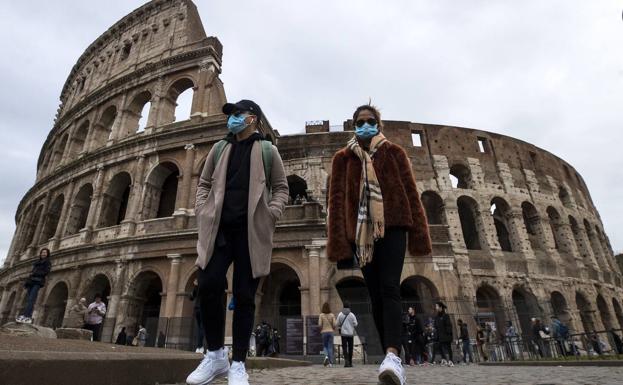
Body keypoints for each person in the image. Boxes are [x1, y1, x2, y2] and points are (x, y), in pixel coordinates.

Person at [185, 99, 288, 385]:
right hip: (218, 230)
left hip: (251, 231)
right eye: (230, 115)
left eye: (237, 114)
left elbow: (281, 187)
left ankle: (239, 363)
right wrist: (203, 211)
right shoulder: (220, 148)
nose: (231, 118)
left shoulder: (267, 150)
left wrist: (271, 214)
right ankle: (216, 354)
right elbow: (203, 184)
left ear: (252, 118)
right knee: (207, 285)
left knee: (244, 296)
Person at [327, 104, 432, 385]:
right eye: (360, 122)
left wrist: (420, 235)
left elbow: (412, 193)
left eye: (370, 121)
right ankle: (391, 357)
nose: (365, 125)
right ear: (353, 125)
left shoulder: (394, 152)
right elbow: (335, 203)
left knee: (389, 287)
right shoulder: (343, 159)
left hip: (394, 225)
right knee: (374, 293)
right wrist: (338, 244)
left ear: (378, 124)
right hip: (361, 235)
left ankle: (392, 354)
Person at [16, 248, 52, 324]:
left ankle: (28, 316)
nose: (43, 254)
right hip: (31, 282)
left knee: (31, 299)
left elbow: (46, 272)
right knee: (28, 299)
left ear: (47, 254)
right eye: (42, 252)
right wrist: (27, 282)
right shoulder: (37, 263)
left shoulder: (47, 262)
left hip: (37, 282)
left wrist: (35, 274)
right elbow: (31, 273)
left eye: (45, 252)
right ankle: (25, 315)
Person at [337, 302, 358, 367]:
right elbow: (356, 324)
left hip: (343, 334)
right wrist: (351, 325)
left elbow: (337, 323)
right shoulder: (352, 315)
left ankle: (346, 361)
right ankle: (350, 362)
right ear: (349, 307)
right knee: (350, 348)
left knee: (344, 348)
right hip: (350, 334)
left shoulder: (340, 314)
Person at [434, 302, 454, 366]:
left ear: (440, 307)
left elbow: (449, 325)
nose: (436, 308)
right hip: (440, 335)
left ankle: (451, 360)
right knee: (439, 347)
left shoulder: (446, 315)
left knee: (448, 347)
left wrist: (449, 334)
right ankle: (444, 359)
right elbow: (436, 326)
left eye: (437, 306)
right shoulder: (436, 317)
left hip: (446, 335)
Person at [189, 278, 205, 353]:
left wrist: (195, 286)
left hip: (196, 308)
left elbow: (191, 297)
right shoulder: (205, 283)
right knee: (202, 328)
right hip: (203, 308)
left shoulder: (197, 283)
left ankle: (199, 347)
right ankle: (200, 346)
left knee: (199, 328)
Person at [319, 302, 337, 367]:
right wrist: (333, 328)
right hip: (331, 332)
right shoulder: (332, 315)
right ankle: (331, 363)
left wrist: (321, 329)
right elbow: (335, 324)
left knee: (325, 346)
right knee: (330, 347)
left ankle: (326, 357)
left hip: (324, 332)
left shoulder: (321, 315)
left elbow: (319, 324)